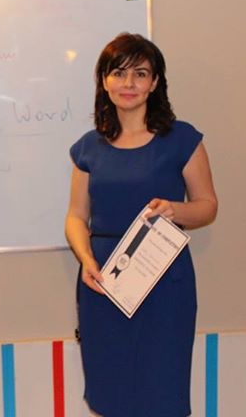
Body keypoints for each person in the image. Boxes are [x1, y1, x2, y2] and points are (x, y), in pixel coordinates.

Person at [65, 33, 218, 417]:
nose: (128, 83)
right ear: (104, 81)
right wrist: (86, 260)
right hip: (104, 279)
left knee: (161, 388)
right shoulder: (88, 147)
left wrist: (174, 211)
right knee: (110, 390)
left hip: (164, 277)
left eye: (140, 73)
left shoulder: (182, 139)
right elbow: (76, 216)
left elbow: (207, 207)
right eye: (118, 73)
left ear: (154, 82)